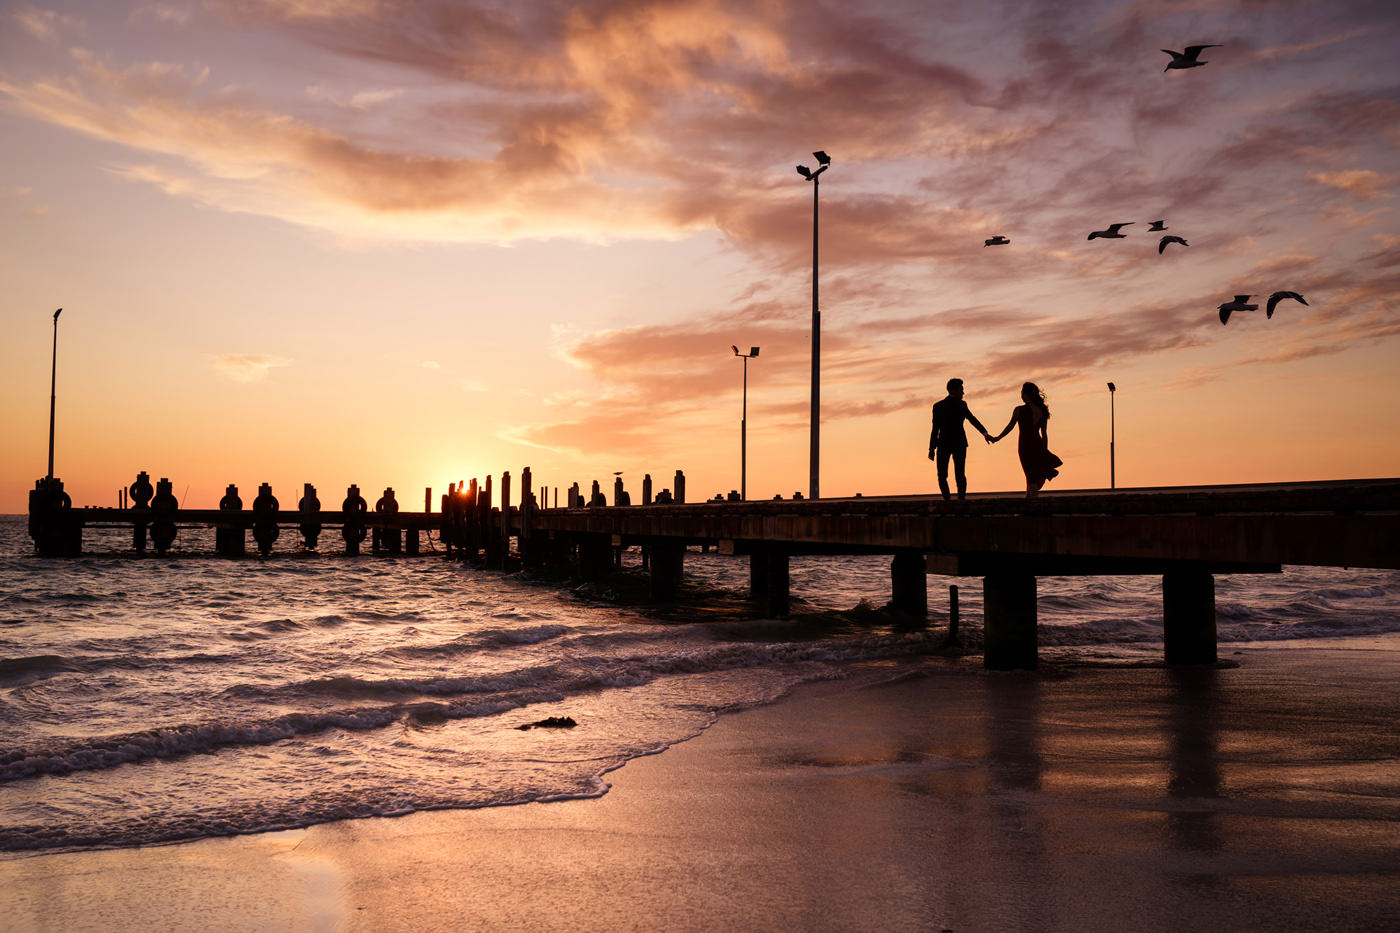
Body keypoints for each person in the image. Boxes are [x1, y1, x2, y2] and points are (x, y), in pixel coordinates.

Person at [989, 381, 1063, 498]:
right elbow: (1044, 434)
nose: (1021, 396)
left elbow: (1010, 427)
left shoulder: (1019, 409)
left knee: (1030, 476)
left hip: (1025, 446)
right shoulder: (1042, 411)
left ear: (1026, 394)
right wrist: (1044, 450)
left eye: (1022, 393)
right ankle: (1028, 502)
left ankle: (1033, 504)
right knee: (1032, 475)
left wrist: (997, 438)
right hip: (1038, 445)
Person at [928, 378, 991, 500]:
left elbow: (935, 429)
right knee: (960, 474)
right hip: (959, 443)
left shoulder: (938, 406)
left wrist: (931, 448)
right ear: (954, 390)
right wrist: (985, 433)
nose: (963, 393)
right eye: (961, 390)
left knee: (942, 475)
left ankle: (947, 501)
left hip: (943, 443)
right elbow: (972, 419)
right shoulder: (961, 405)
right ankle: (961, 501)